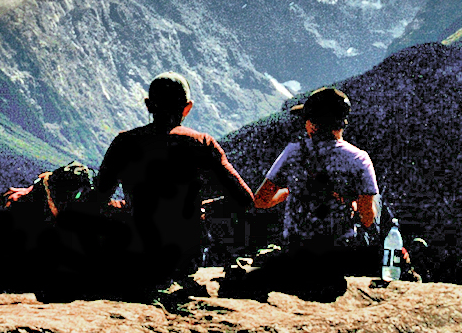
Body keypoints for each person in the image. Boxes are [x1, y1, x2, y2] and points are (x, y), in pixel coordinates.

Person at [88, 72, 255, 295]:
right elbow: (245, 199)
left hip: (135, 252)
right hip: (185, 257)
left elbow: (98, 200)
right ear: (187, 108)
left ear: (148, 105)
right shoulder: (203, 143)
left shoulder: (124, 143)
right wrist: (200, 208)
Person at [247, 86, 380, 300]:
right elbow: (367, 218)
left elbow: (261, 201)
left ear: (311, 123)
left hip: (296, 251)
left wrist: (290, 191)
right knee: (376, 200)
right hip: (337, 256)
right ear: (342, 122)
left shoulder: (293, 151)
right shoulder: (360, 158)